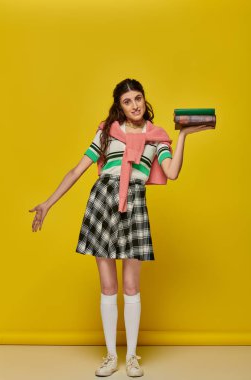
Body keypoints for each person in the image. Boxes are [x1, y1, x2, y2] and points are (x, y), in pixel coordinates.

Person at [29, 78, 214, 377]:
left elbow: (173, 172)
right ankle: (111, 357)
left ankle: (131, 358)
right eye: (127, 101)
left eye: (138, 98)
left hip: (135, 206)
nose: (135, 105)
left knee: (130, 286)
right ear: (120, 106)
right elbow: (77, 170)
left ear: (144, 99)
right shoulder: (107, 133)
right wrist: (48, 203)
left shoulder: (157, 138)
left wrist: (183, 137)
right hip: (103, 202)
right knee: (108, 286)